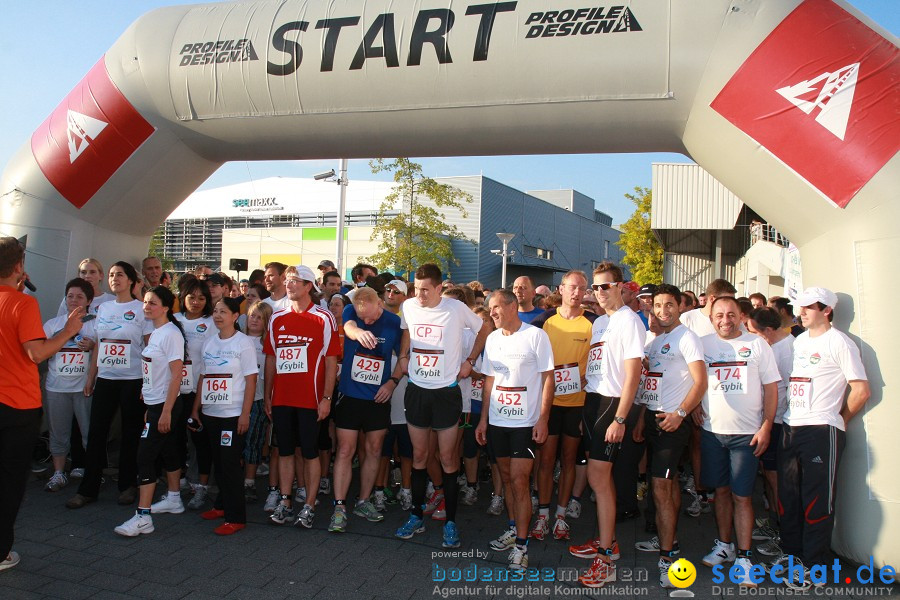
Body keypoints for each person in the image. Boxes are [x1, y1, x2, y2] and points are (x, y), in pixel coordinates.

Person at [772, 288, 869, 590]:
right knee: (788, 496)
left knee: (817, 501)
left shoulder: (840, 342)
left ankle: (813, 566)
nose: (801, 311)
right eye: (799, 306)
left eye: (808, 307)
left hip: (820, 430)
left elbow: (861, 390)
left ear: (826, 310)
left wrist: (838, 420)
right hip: (791, 427)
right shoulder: (800, 341)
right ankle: (792, 555)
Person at [0, 237, 86, 570]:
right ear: (19, 266)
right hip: (17, 406)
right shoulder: (23, 304)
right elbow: (37, 352)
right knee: (8, 481)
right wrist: (68, 331)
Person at [394, 263, 489, 549]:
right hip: (417, 391)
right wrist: (402, 356)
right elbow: (407, 332)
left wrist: (470, 361)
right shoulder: (409, 306)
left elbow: (485, 329)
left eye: (425, 289)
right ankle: (416, 516)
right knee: (420, 455)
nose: (419, 294)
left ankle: (450, 522)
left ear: (438, 288)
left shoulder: (456, 308)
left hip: (447, 393)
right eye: (416, 288)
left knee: (448, 459)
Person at [698, 296, 780, 587]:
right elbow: (695, 381)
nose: (725, 320)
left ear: (741, 316)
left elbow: (771, 388)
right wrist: (695, 406)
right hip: (711, 433)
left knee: (742, 496)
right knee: (720, 492)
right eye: (719, 315)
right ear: (711, 318)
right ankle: (724, 545)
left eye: (731, 314)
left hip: (746, 435)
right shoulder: (703, 344)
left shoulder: (757, 345)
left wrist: (767, 425)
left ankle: (744, 557)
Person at [632, 285, 706, 588]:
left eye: (669, 305)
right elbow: (651, 378)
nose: (663, 311)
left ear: (680, 307)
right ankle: (669, 539)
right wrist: (641, 419)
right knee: (666, 483)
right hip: (653, 416)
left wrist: (681, 413)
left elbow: (700, 382)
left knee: (661, 488)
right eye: (657, 306)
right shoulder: (658, 339)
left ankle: (668, 558)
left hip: (672, 420)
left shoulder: (687, 338)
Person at [575, 262, 645, 589]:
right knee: (599, 477)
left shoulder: (629, 321)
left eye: (606, 286)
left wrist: (620, 418)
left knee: (597, 477)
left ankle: (606, 557)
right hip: (593, 401)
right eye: (596, 287)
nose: (599, 292)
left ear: (621, 287)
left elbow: (633, 375)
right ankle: (608, 540)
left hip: (613, 405)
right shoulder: (601, 322)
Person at [476, 289, 554, 570]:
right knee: (507, 479)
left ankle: (522, 545)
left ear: (511, 307)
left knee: (521, 482)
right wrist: (483, 419)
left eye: (496, 307)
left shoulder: (536, 336)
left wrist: (543, 419)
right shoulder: (493, 339)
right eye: (490, 308)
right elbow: (489, 382)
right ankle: (513, 528)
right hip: (498, 422)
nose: (492, 313)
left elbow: (548, 379)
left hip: (525, 424)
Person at [68, 262, 154, 509]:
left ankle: (128, 485)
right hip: (106, 378)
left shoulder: (141, 309)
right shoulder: (102, 308)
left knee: (130, 433)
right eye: (112, 275)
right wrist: (91, 377)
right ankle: (88, 488)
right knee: (96, 433)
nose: (115, 279)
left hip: (132, 379)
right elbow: (99, 344)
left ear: (131, 281)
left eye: (120, 275)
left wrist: (147, 382)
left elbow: (149, 349)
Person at [264, 266, 339, 528]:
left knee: (310, 453)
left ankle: (308, 505)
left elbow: (331, 361)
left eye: (295, 281)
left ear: (309, 286)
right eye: (288, 281)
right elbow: (271, 359)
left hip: (311, 399)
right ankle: (285, 502)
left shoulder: (324, 318)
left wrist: (327, 398)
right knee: (284, 451)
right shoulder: (276, 318)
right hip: (282, 398)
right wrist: (267, 396)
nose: (289, 285)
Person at [329, 287, 404, 531]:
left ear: (380, 305)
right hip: (350, 396)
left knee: (373, 449)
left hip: (378, 399)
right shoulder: (353, 310)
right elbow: (349, 326)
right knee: (345, 450)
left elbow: (404, 358)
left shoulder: (395, 322)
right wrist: (358, 331)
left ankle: (363, 500)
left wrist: (392, 383)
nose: (368, 321)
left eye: (371, 318)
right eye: (364, 319)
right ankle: (339, 507)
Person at [530, 271, 597, 544]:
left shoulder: (593, 323)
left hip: (577, 404)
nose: (577, 293)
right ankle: (543, 514)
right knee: (546, 461)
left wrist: (588, 375)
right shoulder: (545, 320)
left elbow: (602, 358)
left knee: (569, 461)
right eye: (572, 287)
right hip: (549, 404)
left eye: (582, 288)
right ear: (561, 288)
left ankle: (560, 515)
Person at [113, 287, 186, 536]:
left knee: (144, 457)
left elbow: (177, 374)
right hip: (156, 405)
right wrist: (151, 406)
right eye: (145, 302)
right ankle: (174, 498)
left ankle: (143, 517)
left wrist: (165, 411)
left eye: (152, 303)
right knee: (167, 451)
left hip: (166, 406)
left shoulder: (170, 334)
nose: (147, 306)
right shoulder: (156, 333)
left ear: (166, 307)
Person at [190, 297, 257, 535]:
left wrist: (245, 414)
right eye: (216, 311)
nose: (218, 316)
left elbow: (251, 380)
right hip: (211, 412)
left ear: (235, 317)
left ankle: (236, 516)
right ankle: (220, 505)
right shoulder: (209, 343)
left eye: (223, 312)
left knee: (229, 463)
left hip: (233, 414)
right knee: (217, 460)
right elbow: (203, 378)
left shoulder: (244, 343)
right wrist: (195, 408)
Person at [746, 306, 793, 558]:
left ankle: (783, 534)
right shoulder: (772, 347)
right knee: (770, 478)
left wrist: (771, 420)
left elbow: (787, 391)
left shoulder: (787, 351)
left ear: (769, 331)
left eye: (754, 332)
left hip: (779, 424)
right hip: (770, 422)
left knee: (778, 482)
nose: (751, 337)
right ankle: (778, 526)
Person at [42, 279, 98, 492]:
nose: (74, 300)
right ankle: (58, 473)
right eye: (70, 296)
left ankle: (91, 472)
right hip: (56, 387)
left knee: (88, 432)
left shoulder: (95, 323)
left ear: (89, 301)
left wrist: (93, 345)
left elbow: (102, 353)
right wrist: (59, 338)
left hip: (84, 388)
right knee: (58, 432)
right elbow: (40, 351)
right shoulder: (53, 324)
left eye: (79, 297)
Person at [174, 278, 216, 508]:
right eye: (192, 297)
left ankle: (201, 486)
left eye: (201, 298)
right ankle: (178, 481)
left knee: (199, 439)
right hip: (174, 389)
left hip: (199, 390)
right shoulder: (174, 321)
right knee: (175, 437)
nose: (196, 302)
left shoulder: (211, 323)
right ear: (183, 298)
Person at [242, 301, 273, 503]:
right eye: (252, 315)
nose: (254, 320)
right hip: (236, 399)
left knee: (253, 442)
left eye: (259, 317)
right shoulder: (238, 340)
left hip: (259, 398)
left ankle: (249, 482)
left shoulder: (268, 345)